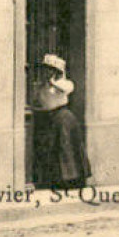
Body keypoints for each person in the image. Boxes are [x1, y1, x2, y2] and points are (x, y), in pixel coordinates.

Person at [30, 53, 91, 191]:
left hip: (63, 118)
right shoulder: (42, 86)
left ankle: (72, 179)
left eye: (50, 69)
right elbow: (38, 100)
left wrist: (53, 81)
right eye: (46, 69)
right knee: (53, 150)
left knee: (66, 149)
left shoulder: (64, 83)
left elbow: (66, 90)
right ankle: (55, 179)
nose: (47, 72)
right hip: (49, 118)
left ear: (57, 71)